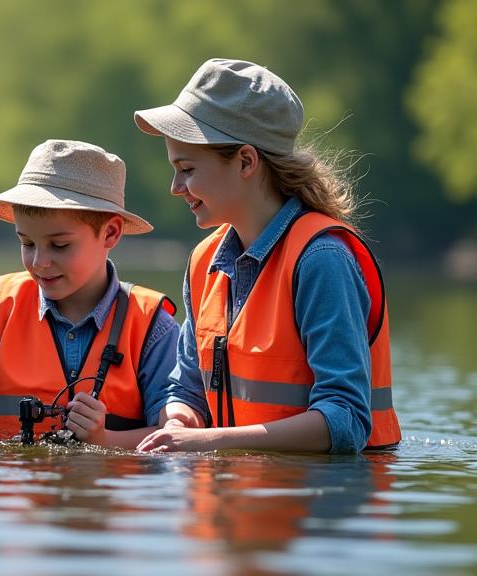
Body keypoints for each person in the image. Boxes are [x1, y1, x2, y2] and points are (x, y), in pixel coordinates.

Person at [132, 58, 401, 453]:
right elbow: (185, 389)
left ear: (246, 161)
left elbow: (346, 419)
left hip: (329, 492)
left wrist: (206, 441)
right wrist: (180, 418)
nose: (175, 187)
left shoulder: (322, 258)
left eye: (186, 169)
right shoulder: (204, 261)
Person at [0, 139, 179, 448]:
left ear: (111, 233)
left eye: (59, 245)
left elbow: (176, 436)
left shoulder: (153, 327)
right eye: (27, 243)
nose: (39, 262)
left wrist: (105, 439)